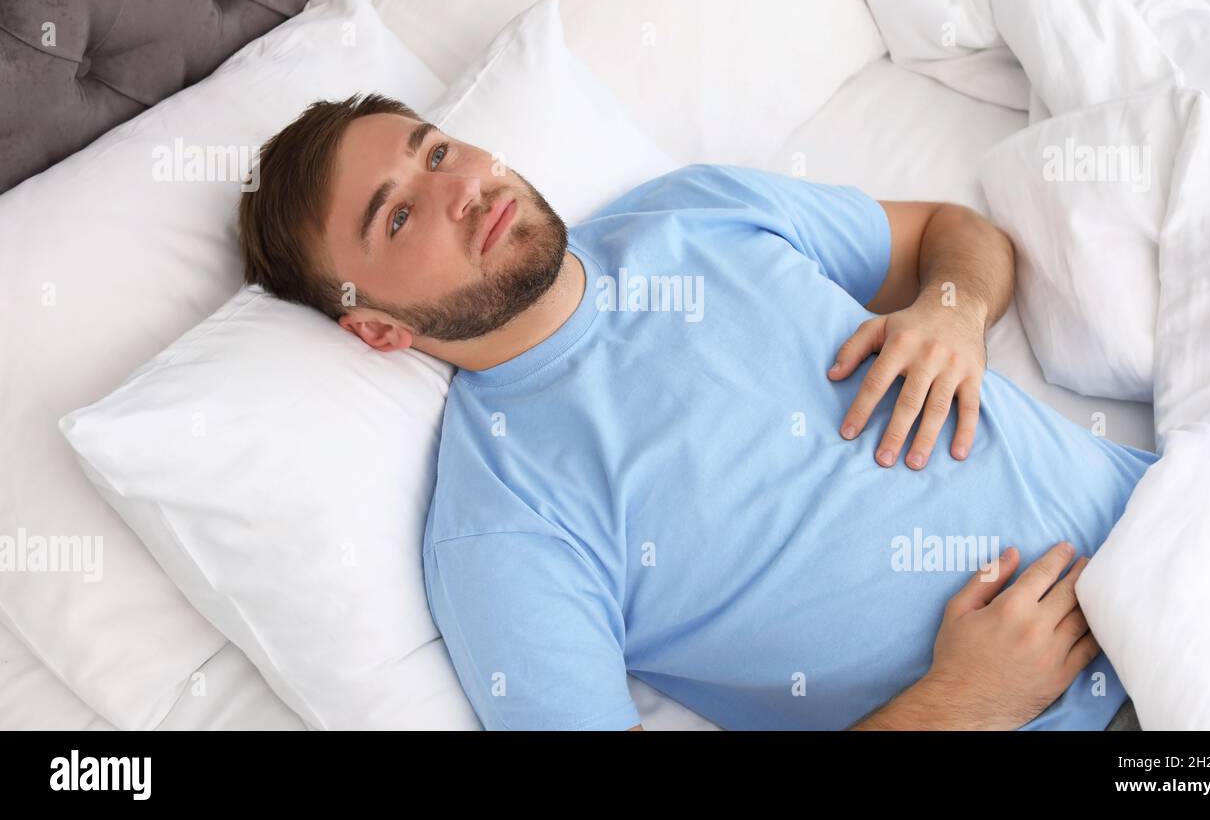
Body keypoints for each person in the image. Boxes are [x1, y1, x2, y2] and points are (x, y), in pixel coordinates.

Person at [238, 94, 1158, 730]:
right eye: (397, 217)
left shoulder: (693, 211)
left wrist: (952, 312)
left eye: (436, 150)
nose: (459, 188)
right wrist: (962, 705)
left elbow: (953, 234)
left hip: (1188, 530)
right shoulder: (504, 529)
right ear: (381, 332)